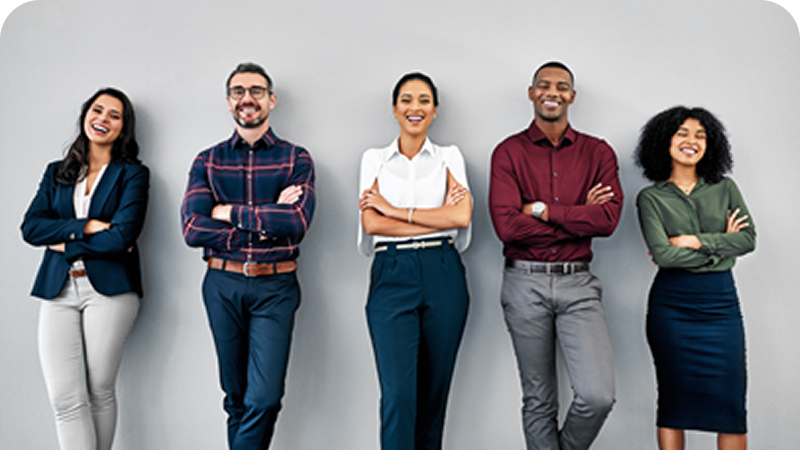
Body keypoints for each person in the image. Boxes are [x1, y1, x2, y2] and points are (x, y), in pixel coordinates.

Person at [181, 62, 315, 450]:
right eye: (238, 91)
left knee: (264, 398)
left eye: (256, 90)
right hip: (222, 283)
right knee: (236, 399)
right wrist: (268, 216)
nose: (247, 98)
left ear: (271, 99)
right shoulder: (208, 161)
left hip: (276, 284)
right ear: (228, 102)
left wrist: (225, 211)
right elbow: (192, 229)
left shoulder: (296, 158)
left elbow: (298, 221)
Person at [488, 61, 622, 450]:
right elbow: (508, 228)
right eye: (543, 85)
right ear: (531, 93)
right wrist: (581, 214)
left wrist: (542, 209)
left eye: (561, 86)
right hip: (523, 282)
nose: (553, 92)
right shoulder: (508, 152)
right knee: (539, 398)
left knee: (598, 396)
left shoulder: (598, 152)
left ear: (572, 97)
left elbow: (609, 220)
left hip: (578, 282)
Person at [21, 87, 149, 450]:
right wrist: (89, 226)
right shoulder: (57, 172)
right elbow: (31, 228)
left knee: (98, 389)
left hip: (110, 290)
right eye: (98, 110)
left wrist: (61, 240)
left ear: (123, 128)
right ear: (85, 115)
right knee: (64, 399)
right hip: (57, 288)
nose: (103, 120)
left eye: (114, 115)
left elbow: (123, 235)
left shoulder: (133, 175)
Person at [358, 72, 472, 450]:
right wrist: (430, 218)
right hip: (392, 274)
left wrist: (397, 212)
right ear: (394, 109)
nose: (415, 107)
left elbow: (460, 218)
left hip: (444, 272)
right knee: (398, 396)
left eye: (424, 100)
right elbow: (372, 223)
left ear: (435, 110)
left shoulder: (449, 157)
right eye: (407, 99)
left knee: (433, 397)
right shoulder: (373, 159)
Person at [634, 106, 755, 450]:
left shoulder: (725, 189)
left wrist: (695, 240)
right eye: (682, 134)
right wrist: (721, 246)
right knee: (674, 403)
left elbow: (748, 240)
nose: (692, 141)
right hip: (672, 307)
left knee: (731, 405)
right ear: (664, 142)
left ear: (711, 145)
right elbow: (663, 255)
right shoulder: (651, 198)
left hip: (721, 305)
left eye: (700, 136)